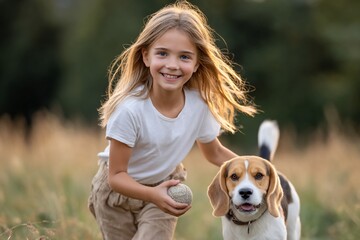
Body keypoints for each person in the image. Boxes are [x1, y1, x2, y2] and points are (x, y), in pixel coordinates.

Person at [88, 1, 257, 239]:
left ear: (197, 63)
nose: (172, 65)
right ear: (146, 56)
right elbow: (116, 176)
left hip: (165, 188)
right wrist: (152, 193)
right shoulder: (130, 110)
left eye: (185, 57)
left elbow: (215, 153)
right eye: (162, 53)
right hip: (117, 194)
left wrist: (259, 171)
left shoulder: (200, 105)